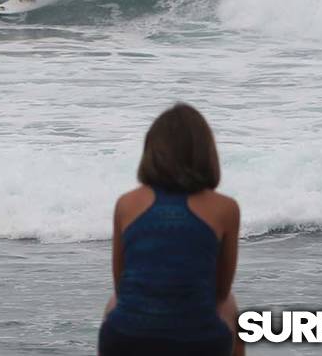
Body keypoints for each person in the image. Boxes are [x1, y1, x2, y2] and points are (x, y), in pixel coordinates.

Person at [100, 103, 244, 356]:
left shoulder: (127, 204)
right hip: (198, 342)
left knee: (114, 304)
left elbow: (121, 286)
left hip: (125, 339)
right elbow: (220, 290)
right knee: (231, 307)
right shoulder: (225, 208)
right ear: (205, 153)